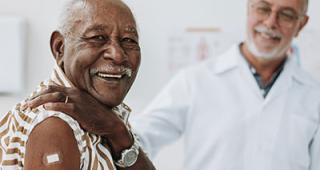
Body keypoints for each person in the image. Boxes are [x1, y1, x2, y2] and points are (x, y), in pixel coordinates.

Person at [130, 0, 320, 169]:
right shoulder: (195, 80)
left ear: (301, 24)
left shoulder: (314, 96)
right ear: (249, 9)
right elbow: (139, 138)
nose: (271, 22)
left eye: (286, 14)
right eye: (263, 8)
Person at [0, 0, 155, 169]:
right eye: (98, 38)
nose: (117, 55)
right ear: (60, 48)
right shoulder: (55, 124)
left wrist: (117, 131)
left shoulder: (104, 118)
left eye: (129, 40)